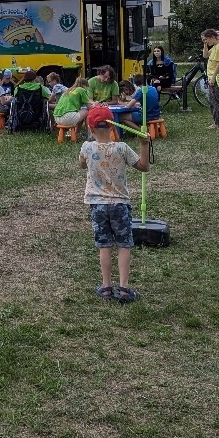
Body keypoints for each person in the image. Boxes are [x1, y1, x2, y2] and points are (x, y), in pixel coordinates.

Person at [78, 104, 150, 304]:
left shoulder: (86, 147)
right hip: (120, 204)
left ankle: (106, 286)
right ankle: (124, 288)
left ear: (91, 129)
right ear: (113, 127)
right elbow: (144, 167)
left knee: (105, 246)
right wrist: (144, 145)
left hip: (97, 204)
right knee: (124, 245)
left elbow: (82, 164)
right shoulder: (122, 148)